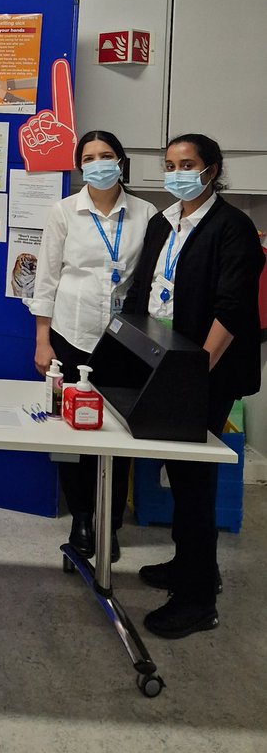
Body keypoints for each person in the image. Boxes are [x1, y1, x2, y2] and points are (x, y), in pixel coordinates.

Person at [123, 133, 263, 640]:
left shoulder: (233, 227)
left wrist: (194, 375)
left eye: (188, 164)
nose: (177, 172)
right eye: (170, 164)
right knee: (179, 475)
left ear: (211, 169)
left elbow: (231, 309)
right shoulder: (165, 222)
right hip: (163, 363)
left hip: (203, 371)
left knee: (194, 481)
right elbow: (145, 290)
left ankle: (200, 599)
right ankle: (189, 565)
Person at [29, 130, 156, 560]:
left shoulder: (146, 214)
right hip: (71, 334)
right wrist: (43, 341)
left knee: (118, 435)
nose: (99, 163)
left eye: (107, 155)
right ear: (80, 164)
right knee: (73, 431)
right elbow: (46, 280)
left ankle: (110, 523)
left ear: (121, 161)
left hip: (125, 342)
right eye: (90, 157)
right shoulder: (65, 211)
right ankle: (82, 518)